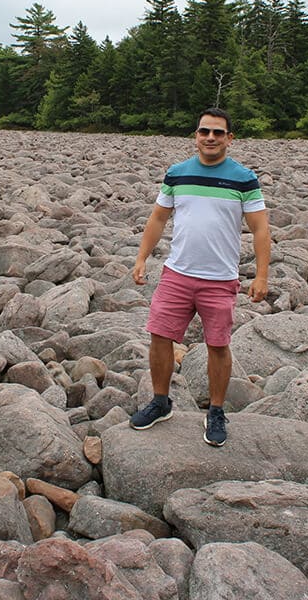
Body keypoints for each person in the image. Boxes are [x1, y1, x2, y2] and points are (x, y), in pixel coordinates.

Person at [129, 107, 270, 446]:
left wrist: (262, 275)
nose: (210, 138)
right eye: (204, 131)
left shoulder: (244, 178)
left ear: (229, 138)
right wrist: (141, 258)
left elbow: (260, 228)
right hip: (177, 274)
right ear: (196, 136)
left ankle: (217, 411)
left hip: (220, 278)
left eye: (218, 132)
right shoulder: (177, 174)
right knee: (160, 338)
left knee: (218, 345)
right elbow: (158, 219)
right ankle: (160, 402)